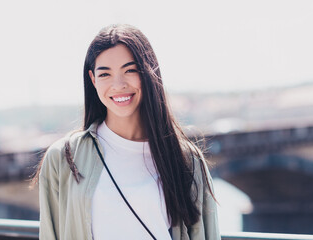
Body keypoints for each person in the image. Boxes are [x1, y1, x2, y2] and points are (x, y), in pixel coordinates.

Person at [32, 24, 220, 240]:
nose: (118, 84)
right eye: (105, 74)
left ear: (149, 72)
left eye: (130, 70)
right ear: (93, 80)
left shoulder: (187, 160)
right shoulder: (64, 158)